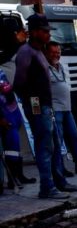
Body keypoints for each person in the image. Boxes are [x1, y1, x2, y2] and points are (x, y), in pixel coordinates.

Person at [14, 14, 77, 199]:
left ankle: (59, 182)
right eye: (44, 31)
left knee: (55, 146)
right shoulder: (26, 52)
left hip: (47, 107)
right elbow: (19, 84)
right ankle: (47, 187)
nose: (47, 35)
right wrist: (34, 106)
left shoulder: (39, 51)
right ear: (34, 32)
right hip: (38, 107)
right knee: (44, 147)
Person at [46, 41, 77, 175]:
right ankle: (60, 169)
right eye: (53, 52)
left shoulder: (60, 67)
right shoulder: (44, 68)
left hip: (66, 109)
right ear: (46, 53)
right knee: (58, 141)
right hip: (55, 109)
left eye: (58, 52)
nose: (56, 55)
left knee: (74, 136)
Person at [0, 19, 36, 188]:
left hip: (13, 107)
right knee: (11, 143)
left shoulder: (16, 54)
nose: (24, 34)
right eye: (20, 32)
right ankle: (13, 178)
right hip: (5, 110)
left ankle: (18, 176)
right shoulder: (5, 60)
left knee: (15, 144)